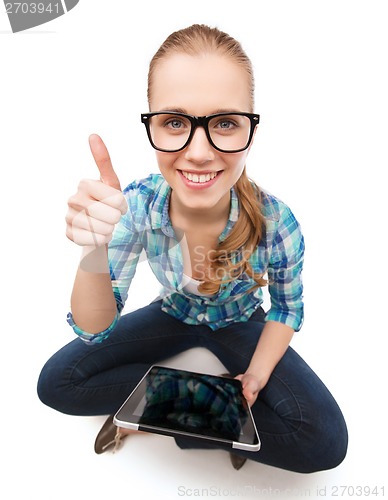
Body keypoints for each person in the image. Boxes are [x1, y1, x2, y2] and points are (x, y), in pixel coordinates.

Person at [37, 24, 348, 472]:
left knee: (323, 441)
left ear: (251, 129)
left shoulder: (278, 223)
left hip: (240, 322)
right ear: (152, 125)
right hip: (174, 313)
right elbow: (93, 328)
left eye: (223, 123)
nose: (199, 152)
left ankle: (150, 414)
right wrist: (92, 251)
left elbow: (286, 309)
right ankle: (215, 416)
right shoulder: (137, 206)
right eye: (176, 123)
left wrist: (255, 376)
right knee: (58, 382)